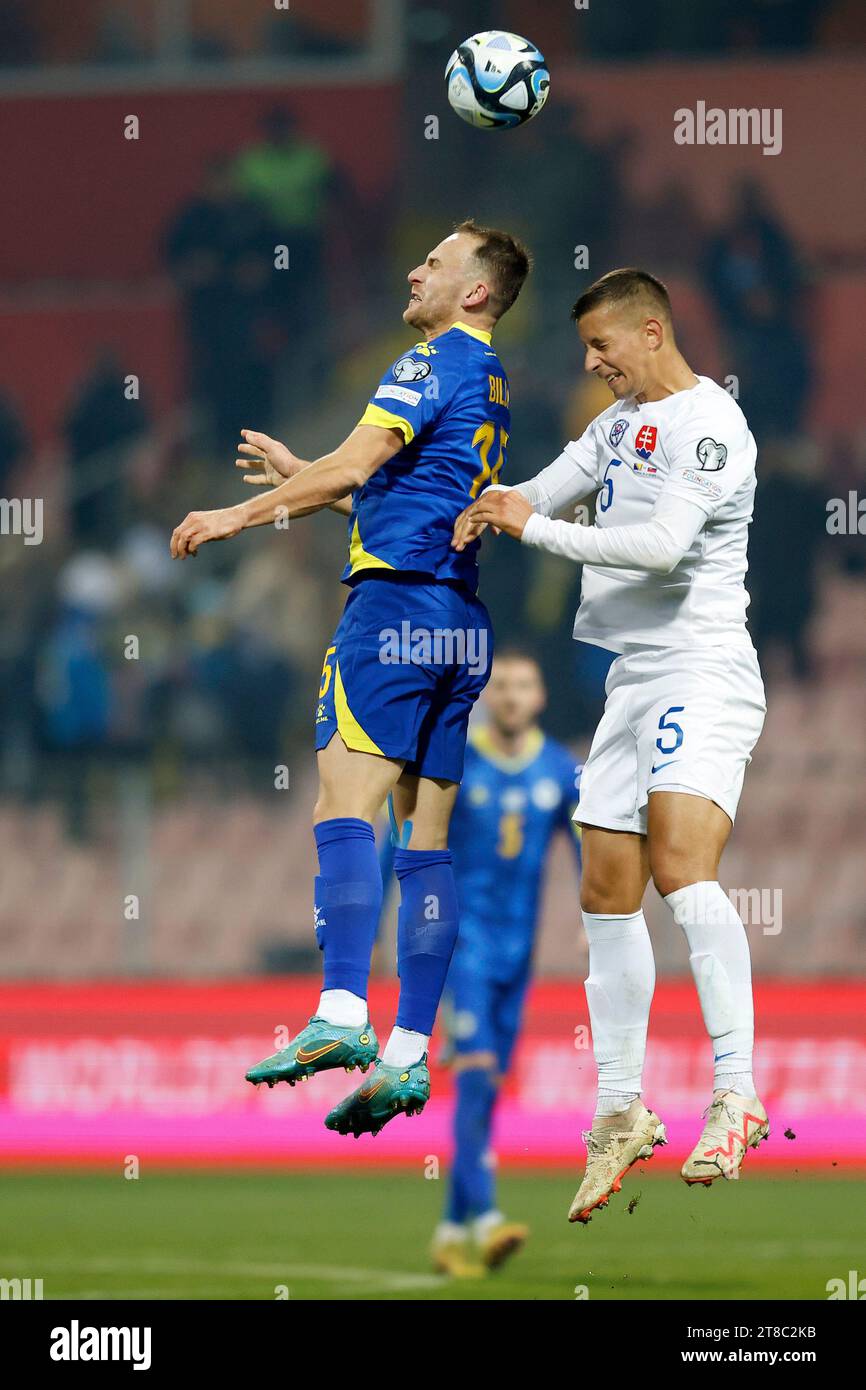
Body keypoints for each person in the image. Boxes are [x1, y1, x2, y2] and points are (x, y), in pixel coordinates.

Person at [170, 220, 530, 1137]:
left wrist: (239, 512)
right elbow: (397, 485)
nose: (415, 270)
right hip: (458, 626)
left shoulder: (428, 360)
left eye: (437, 263)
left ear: (476, 292)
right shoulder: (492, 382)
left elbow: (361, 460)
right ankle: (410, 1051)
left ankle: (339, 1013)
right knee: (427, 842)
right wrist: (314, 478)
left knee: (342, 807)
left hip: (393, 612)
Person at [453, 268, 769, 1221]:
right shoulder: (617, 422)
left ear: (651, 329)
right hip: (631, 681)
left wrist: (537, 529)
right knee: (603, 888)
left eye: (603, 347)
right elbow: (539, 487)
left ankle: (735, 1091)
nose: (593, 365)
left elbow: (664, 546)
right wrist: (449, 504)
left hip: (702, 669)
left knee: (681, 868)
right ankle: (621, 1107)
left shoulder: (712, 428)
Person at [381, 649, 581, 1276]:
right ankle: (489, 1220)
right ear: (488, 697)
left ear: (541, 696)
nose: (514, 696)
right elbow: (405, 837)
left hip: (518, 958)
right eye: (504, 686)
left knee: (486, 1092)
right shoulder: (457, 760)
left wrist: (596, 922)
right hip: (459, 944)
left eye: (525, 684)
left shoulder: (560, 770)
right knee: (473, 1077)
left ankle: (447, 1230)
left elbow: (585, 851)